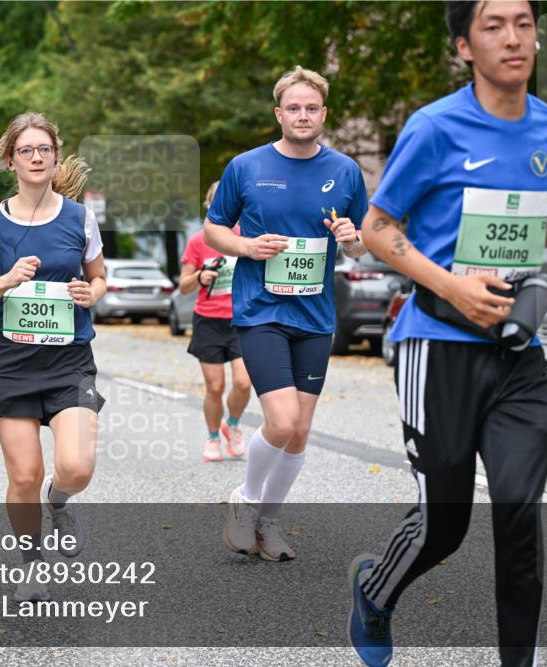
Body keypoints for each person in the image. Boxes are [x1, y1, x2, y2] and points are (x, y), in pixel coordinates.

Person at [345, 3, 547, 667]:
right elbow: (377, 228)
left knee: (520, 514)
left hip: (517, 351)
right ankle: (374, 591)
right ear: (464, 45)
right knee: (445, 522)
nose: (513, 37)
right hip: (437, 343)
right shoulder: (434, 128)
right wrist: (454, 284)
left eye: (523, 21)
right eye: (493, 25)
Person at [205, 66, 369, 562]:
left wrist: (353, 240)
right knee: (281, 420)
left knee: (300, 431)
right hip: (261, 311)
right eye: (293, 108)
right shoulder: (247, 166)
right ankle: (247, 502)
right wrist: (247, 246)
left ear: (324, 114)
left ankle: (269, 525)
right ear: (278, 114)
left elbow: (361, 245)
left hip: (316, 317)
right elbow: (215, 231)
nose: (302, 115)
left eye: (311, 108)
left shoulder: (345, 171)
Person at [0, 112, 107, 602]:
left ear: (55, 156)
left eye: (45, 149)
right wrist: (6, 279)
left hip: (69, 361)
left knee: (76, 467)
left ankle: (58, 503)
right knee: (24, 475)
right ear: (10, 160)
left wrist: (92, 293)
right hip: (12, 364)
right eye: (27, 150)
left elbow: (100, 277)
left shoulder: (79, 217)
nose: (37, 157)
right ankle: (31, 565)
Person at [179, 182, 252, 462]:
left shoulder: (246, 237)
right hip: (208, 321)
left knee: (244, 383)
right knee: (215, 387)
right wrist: (199, 276)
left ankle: (231, 426)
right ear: (210, 208)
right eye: (216, 203)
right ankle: (212, 438)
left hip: (241, 320)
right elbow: (184, 285)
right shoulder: (199, 241)